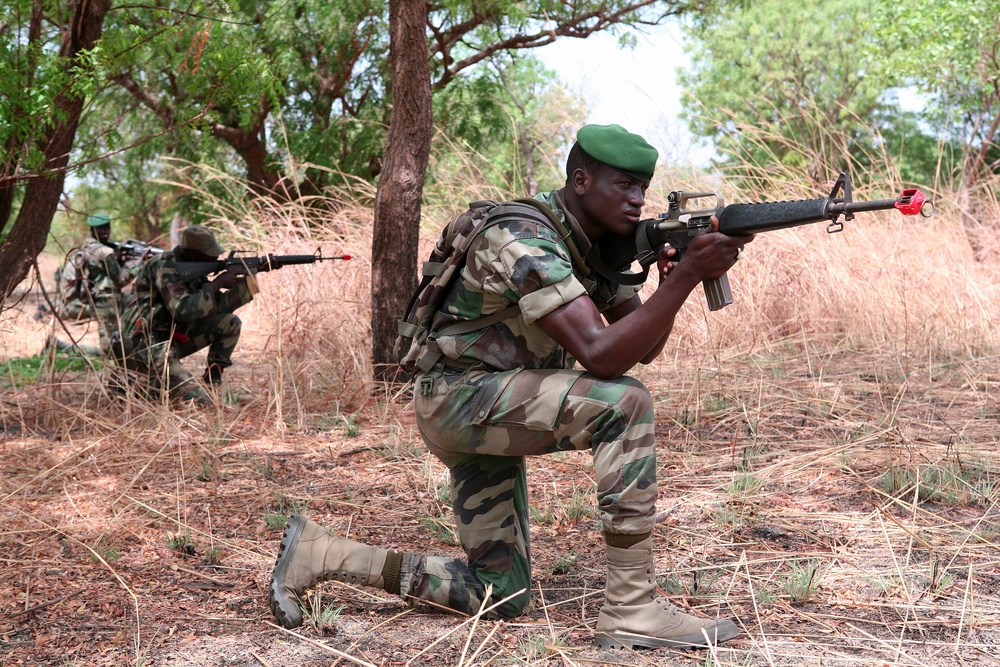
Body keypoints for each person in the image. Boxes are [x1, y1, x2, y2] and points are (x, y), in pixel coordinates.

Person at [268, 124, 754, 649]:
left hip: (487, 402)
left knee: (498, 593)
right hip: (459, 400)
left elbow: (634, 347)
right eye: (624, 185)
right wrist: (685, 280)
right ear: (582, 179)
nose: (638, 199)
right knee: (626, 403)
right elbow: (600, 356)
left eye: (643, 186)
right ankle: (632, 609)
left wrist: (667, 284)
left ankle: (322, 554)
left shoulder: (589, 246)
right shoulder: (524, 239)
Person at [111, 225, 253, 407]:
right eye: (209, 254)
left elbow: (215, 308)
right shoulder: (163, 265)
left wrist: (247, 283)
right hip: (142, 344)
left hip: (169, 338)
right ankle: (130, 386)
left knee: (229, 323)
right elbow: (182, 309)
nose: (215, 258)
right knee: (204, 405)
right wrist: (216, 283)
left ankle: (212, 382)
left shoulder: (194, 270)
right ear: (193, 254)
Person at [50, 213, 135, 356]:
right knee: (110, 351)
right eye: (101, 229)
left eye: (107, 227)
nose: (106, 231)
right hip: (104, 302)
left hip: (92, 300)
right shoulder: (104, 251)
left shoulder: (84, 248)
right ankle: (60, 346)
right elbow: (120, 281)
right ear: (92, 230)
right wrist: (136, 266)